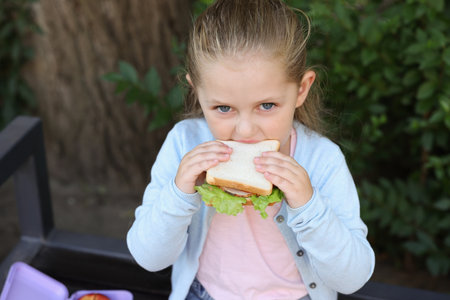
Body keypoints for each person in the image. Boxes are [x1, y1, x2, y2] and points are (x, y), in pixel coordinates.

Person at [127, 0, 375, 299]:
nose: (245, 130)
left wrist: (309, 206)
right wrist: (180, 193)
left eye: (267, 105)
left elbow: (353, 279)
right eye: (223, 108)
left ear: (301, 89)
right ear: (196, 91)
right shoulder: (184, 143)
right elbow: (149, 258)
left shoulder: (322, 159)